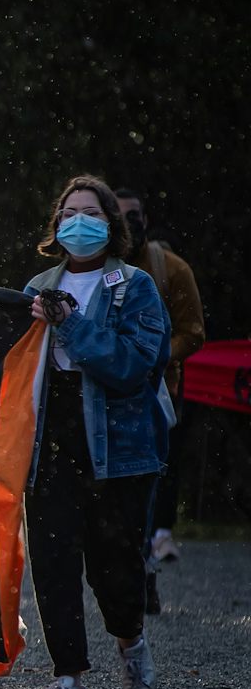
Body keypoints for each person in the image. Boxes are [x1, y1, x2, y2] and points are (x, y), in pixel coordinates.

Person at [23, 175, 170, 689]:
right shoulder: (36, 286)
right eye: (68, 211)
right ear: (56, 225)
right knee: (54, 562)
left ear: (110, 225)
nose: (77, 220)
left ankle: (131, 643)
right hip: (50, 446)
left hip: (119, 450)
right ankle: (68, 680)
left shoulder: (135, 287)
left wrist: (73, 324)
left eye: (90, 211)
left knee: (115, 567)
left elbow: (134, 367)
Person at [113, 188, 205, 578]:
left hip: (158, 393)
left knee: (150, 476)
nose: (126, 223)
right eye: (117, 216)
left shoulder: (173, 269)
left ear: (145, 220)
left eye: (132, 215)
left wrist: (153, 354)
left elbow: (194, 332)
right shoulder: (92, 269)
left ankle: (143, 560)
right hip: (106, 391)